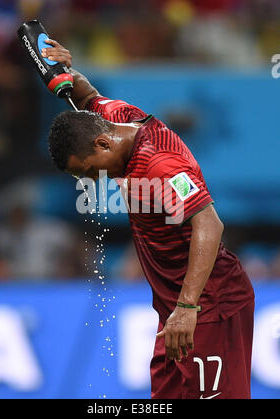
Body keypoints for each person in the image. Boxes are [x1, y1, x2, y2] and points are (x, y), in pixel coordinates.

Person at [43, 39, 255, 399]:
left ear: (103, 146)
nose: (97, 181)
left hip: (209, 306)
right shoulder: (116, 120)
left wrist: (188, 308)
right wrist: (62, 69)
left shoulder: (159, 164)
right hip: (175, 312)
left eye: (91, 171)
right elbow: (86, 96)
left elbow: (209, 224)